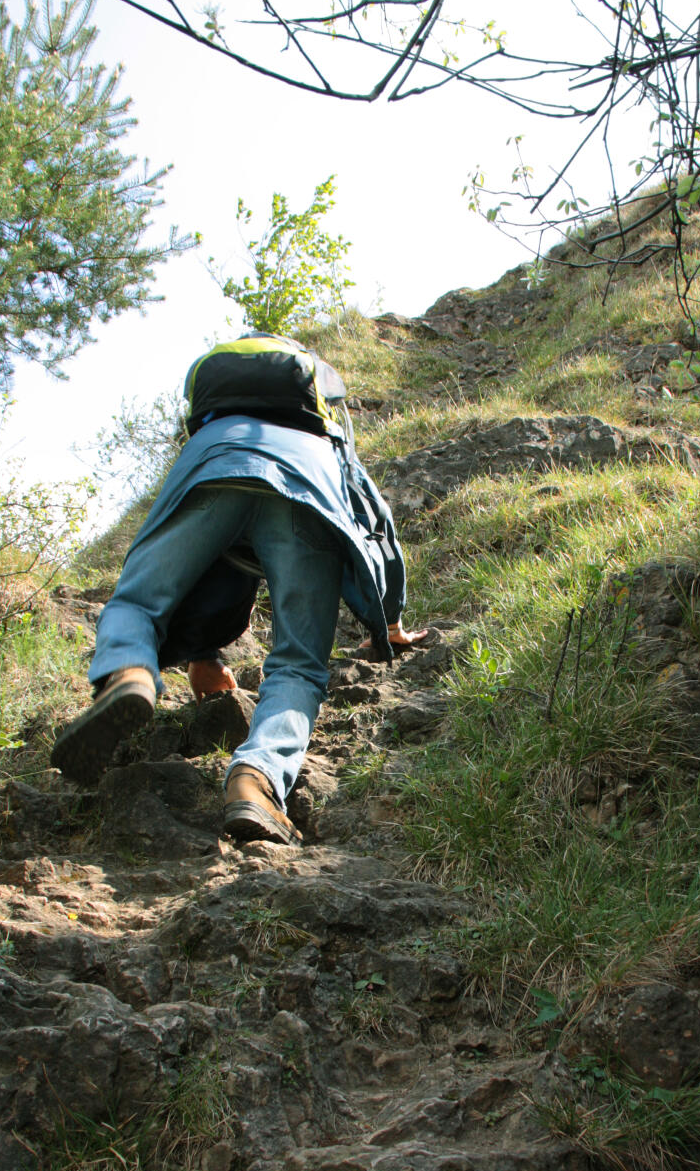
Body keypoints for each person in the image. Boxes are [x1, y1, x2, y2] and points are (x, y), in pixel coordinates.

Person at [50, 332, 425, 845]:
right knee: (297, 663)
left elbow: (208, 566)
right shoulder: (322, 412)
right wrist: (390, 615)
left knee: (139, 600)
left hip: (210, 469)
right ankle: (256, 781)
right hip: (306, 485)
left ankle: (128, 670)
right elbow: (370, 511)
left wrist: (198, 652)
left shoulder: (213, 413)